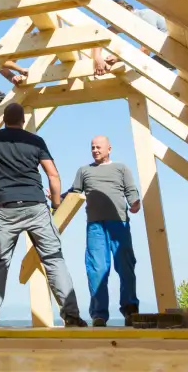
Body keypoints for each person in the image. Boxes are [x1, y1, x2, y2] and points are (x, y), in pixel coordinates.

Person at [0, 98, 87, 328]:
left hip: (6, 208)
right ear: (23, 121)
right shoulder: (36, 141)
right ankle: (71, 316)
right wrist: (55, 204)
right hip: (36, 206)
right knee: (53, 260)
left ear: (4, 120)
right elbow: (53, 175)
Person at [70, 135, 141, 327]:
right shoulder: (84, 171)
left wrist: (135, 203)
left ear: (109, 148)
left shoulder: (121, 168)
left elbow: (131, 191)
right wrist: (56, 197)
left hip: (119, 223)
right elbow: (73, 193)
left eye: (98, 147)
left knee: (125, 267)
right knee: (97, 269)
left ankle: (130, 311)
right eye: (92, 147)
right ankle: (99, 315)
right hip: (95, 226)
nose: (95, 150)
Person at [92, 0, 175, 75]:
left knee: (143, 73)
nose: (116, 25)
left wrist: (119, 57)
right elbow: (102, 35)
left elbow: (146, 50)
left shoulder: (144, 15)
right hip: (166, 54)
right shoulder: (125, 22)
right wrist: (97, 57)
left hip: (176, 53)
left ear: (123, 12)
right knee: (139, 72)